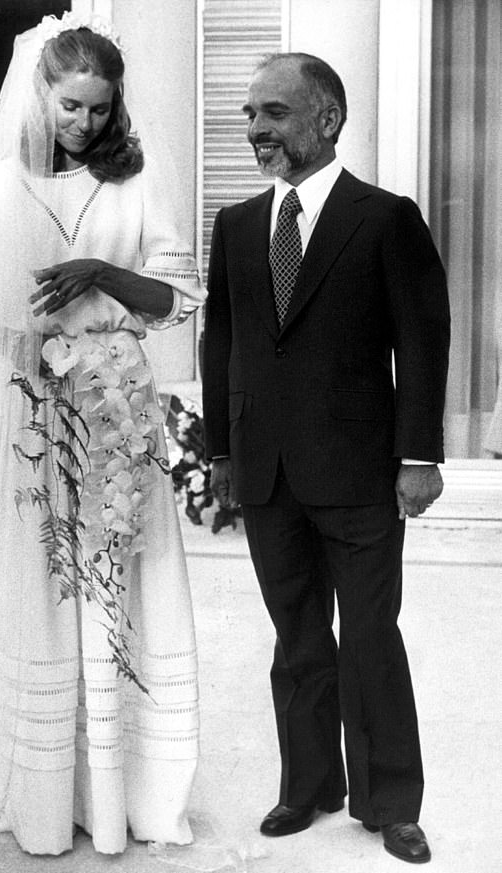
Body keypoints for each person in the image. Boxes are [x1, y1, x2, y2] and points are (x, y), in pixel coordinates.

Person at [0, 13, 204, 857]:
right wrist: (28, 353)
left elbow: (180, 298)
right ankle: (43, 794)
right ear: (41, 94)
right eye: (70, 105)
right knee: (39, 583)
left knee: (118, 578)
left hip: (120, 412)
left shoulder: (135, 183)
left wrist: (100, 277)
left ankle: (128, 794)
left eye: (99, 108)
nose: (83, 123)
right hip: (32, 410)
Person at [202, 52, 450, 865]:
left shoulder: (385, 218)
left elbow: (421, 340)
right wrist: (221, 451)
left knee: (371, 634)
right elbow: (224, 342)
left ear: (327, 119)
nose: (254, 131)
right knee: (297, 636)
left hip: (359, 471)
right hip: (267, 470)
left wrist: (419, 454)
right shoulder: (238, 225)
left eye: (271, 112)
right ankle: (308, 784)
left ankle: (391, 800)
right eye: (248, 115)